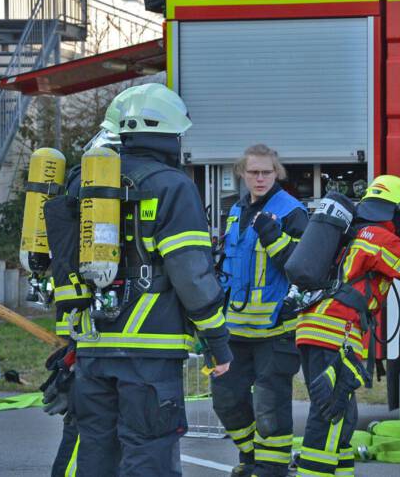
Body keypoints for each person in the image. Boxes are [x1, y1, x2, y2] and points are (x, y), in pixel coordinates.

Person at [64, 83, 231, 476]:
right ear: (169, 135)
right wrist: (217, 341)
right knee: (149, 455)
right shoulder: (172, 186)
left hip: (92, 347)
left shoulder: (82, 184)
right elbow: (191, 275)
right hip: (149, 352)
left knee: (96, 454)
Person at [295, 175, 400, 477]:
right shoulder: (378, 236)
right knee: (330, 414)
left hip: (314, 328)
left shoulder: (355, 234)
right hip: (336, 332)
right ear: (396, 210)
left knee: (344, 414)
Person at [212, 144, 308, 477]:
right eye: (253, 172)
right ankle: (252, 457)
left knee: (270, 407)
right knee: (225, 401)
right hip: (234, 331)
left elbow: (305, 267)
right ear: (242, 173)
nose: (260, 178)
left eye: (267, 171)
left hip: (275, 332)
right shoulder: (236, 210)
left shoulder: (291, 211)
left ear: (277, 173)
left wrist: (275, 238)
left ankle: (272, 468)